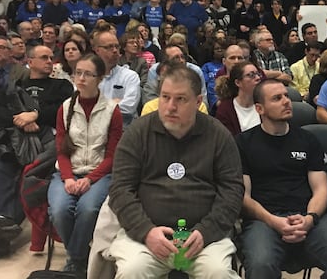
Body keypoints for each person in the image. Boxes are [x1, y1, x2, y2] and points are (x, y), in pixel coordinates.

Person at [107, 65, 243, 278]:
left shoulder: (218, 135)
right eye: (165, 97)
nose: (170, 106)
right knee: (132, 271)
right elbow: (120, 189)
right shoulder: (138, 132)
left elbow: (232, 191)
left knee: (218, 272)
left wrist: (206, 232)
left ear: (198, 102)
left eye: (180, 99)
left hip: (203, 238)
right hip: (146, 235)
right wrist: (146, 231)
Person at [237, 79, 327, 279]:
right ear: (259, 108)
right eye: (277, 98)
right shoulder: (243, 143)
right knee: (261, 265)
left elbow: (321, 190)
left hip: (307, 215)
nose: (287, 101)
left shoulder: (307, 140)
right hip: (263, 219)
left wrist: (310, 219)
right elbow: (244, 197)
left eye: (286, 95)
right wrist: (274, 221)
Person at [0, 45, 73, 254]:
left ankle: (4, 225)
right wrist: (21, 121)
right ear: (30, 61)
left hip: (49, 139)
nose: (49, 61)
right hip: (18, 138)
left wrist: (35, 115)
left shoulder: (61, 86)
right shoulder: (14, 86)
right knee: (0, 165)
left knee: (29, 170)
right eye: (44, 57)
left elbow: (65, 110)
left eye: (51, 57)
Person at [49, 54, 124, 274]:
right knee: (61, 210)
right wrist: (68, 178)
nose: (80, 78)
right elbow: (62, 150)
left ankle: (75, 261)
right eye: (77, 72)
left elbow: (112, 156)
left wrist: (90, 179)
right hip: (67, 172)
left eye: (87, 74)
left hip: (99, 173)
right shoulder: (65, 108)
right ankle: (80, 258)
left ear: (100, 78)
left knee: (88, 209)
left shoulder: (112, 110)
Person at [93, 31, 141, 125]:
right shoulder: (89, 75)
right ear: (97, 50)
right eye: (109, 47)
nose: (115, 50)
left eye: (117, 46)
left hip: (123, 129)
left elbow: (128, 107)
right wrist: (113, 103)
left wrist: (97, 106)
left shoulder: (130, 76)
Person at [214, 61, 263, 135]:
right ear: (238, 82)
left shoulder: (265, 103)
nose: (258, 78)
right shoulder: (225, 109)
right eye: (251, 75)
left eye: (258, 74)